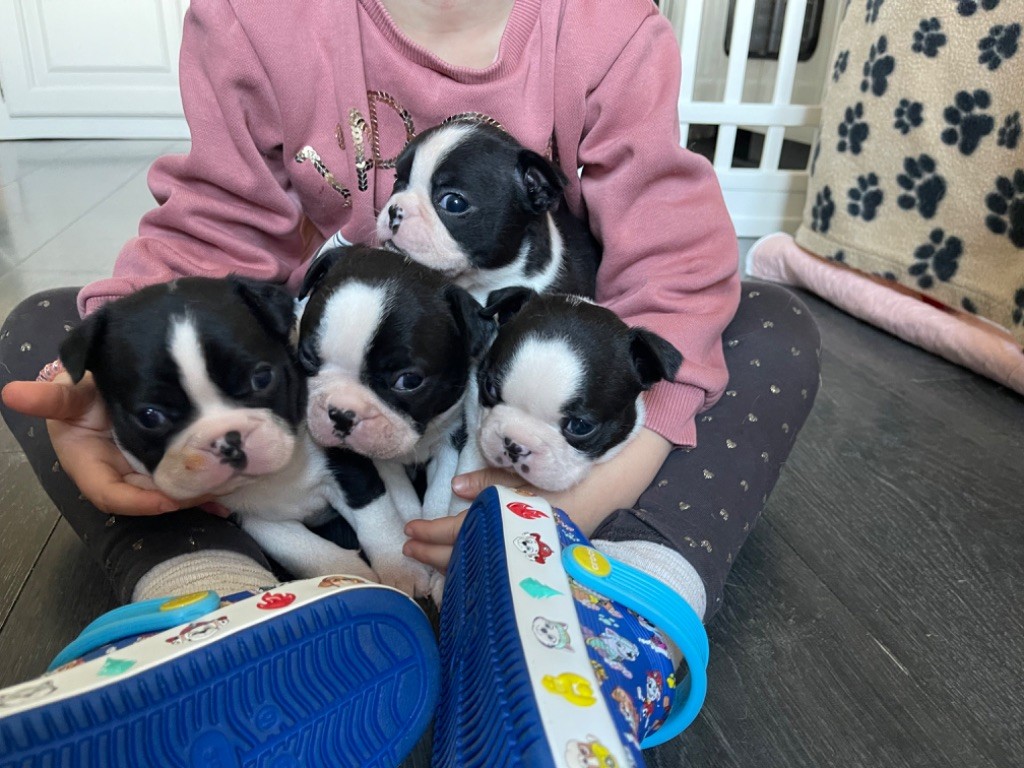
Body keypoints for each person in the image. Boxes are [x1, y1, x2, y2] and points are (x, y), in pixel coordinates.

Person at [0, 0, 821, 764]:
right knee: (42, 333)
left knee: (769, 331)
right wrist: (117, 375)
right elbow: (214, 228)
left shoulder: (604, 26)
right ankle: (213, 602)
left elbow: (673, 266)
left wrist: (598, 487)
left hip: (555, 437)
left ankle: (616, 610)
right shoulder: (254, 19)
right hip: (338, 435)